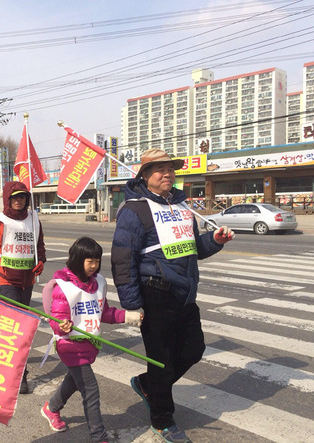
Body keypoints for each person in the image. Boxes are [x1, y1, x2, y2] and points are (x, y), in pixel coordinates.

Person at [111, 148, 233, 443]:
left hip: (185, 292)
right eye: (158, 169)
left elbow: (195, 249)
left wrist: (214, 240)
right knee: (162, 361)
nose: (166, 173)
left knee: (194, 349)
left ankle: (148, 384)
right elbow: (123, 260)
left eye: (170, 168)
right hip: (155, 294)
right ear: (144, 176)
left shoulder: (182, 207)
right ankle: (162, 421)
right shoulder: (135, 210)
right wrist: (131, 305)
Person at [41, 237, 142, 442]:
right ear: (78, 260)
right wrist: (61, 325)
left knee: (74, 380)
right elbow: (56, 319)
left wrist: (127, 316)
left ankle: (51, 408)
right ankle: (98, 436)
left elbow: (103, 313)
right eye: (90, 261)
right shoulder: (64, 287)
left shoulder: (98, 283)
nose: (94, 266)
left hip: (89, 344)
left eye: (97, 261)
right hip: (69, 345)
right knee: (91, 391)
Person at [0, 180, 46, 393]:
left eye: (22, 197)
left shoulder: (34, 219)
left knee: (22, 329)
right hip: (5, 282)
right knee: (12, 329)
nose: (19, 200)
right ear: (7, 198)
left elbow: (39, 246)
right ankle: (17, 376)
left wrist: (41, 260)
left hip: (27, 282)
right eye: (14, 197)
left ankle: (10, 369)